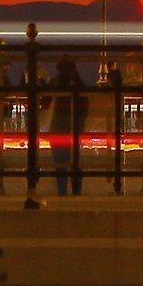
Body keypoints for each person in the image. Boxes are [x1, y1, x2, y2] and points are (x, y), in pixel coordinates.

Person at [49, 56, 85, 195]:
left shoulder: (54, 82)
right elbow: (83, 107)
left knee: (60, 164)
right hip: (73, 128)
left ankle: (62, 191)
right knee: (75, 162)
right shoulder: (78, 83)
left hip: (57, 127)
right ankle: (77, 192)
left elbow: (45, 102)